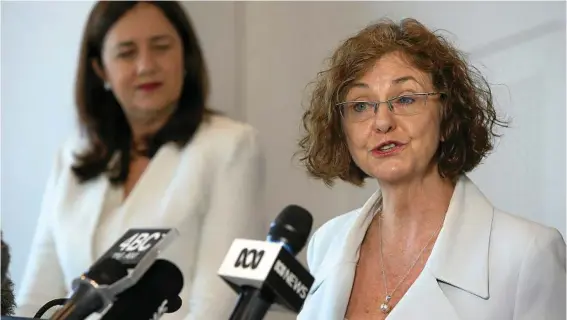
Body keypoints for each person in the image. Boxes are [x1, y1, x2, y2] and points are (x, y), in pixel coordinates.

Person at [296, 18, 566, 320]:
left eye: (406, 98)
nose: (382, 121)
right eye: (360, 105)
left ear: (447, 117)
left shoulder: (527, 254)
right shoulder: (327, 242)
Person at [15, 2, 266, 319]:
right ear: (100, 69)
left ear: (185, 56)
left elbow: (218, 303)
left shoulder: (230, 146)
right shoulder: (72, 155)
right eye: (126, 53)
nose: (146, 65)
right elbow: (36, 295)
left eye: (161, 47)